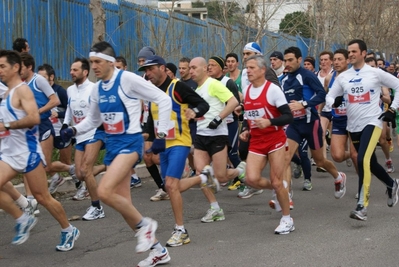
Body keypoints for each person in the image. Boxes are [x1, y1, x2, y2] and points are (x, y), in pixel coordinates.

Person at [60, 41, 172, 266]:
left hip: (130, 144)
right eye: (92, 63)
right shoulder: (98, 88)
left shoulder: (127, 79)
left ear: (110, 62)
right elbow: (93, 120)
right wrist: (72, 129)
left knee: (103, 191)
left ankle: (147, 226)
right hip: (112, 147)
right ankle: (159, 250)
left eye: (98, 62)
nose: (94, 67)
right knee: (125, 207)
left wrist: (161, 131)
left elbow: (163, 98)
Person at [0, 49, 80, 250]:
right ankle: (22, 218)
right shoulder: (8, 92)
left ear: (16, 67)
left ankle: (69, 229)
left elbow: (34, 118)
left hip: (28, 153)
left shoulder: (23, 90)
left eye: (2, 66)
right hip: (10, 153)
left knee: (43, 197)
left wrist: (8, 126)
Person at [140, 55, 214, 247]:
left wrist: (194, 112)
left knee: (172, 185)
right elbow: (151, 123)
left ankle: (180, 230)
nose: (147, 74)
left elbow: (203, 104)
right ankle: (203, 178)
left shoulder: (177, 87)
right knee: (170, 187)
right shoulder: (151, 92)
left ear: (163, 68)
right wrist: (143, 135)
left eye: (150, 69)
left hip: (180, 142)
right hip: (163, 145)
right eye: (145, 71)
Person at [326, 39, 399, 221]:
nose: (350, 54)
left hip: (373, 122)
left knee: (362, 160)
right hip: (354, 126)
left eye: (353, 51)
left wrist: (392, 109)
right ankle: (391, 185)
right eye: (348, 52)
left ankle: (362, 206)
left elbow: (398, 85)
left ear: (363, 53)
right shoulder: (343, 76)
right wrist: (332, 102)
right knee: (371, 163)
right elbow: (330, 94)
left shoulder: (375, 73)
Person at [280, 46, 347, 206]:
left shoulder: (307, 75)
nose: (287, 63)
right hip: (294, 125)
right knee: (285, 159)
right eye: (285, 60)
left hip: (311, 124)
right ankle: (287, 196)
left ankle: (338, 177)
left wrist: (304, 104)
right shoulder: (284, 80)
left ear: (299, 60)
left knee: (320, 161)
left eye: (290, 60)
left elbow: (322, 94)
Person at [238, 55, 294, 234]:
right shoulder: (246, 91)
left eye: (252, 68)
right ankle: (279, 190)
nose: (248, 71)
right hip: (256, 140)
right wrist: (246, 129)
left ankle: (287, 219)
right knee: (251, 178)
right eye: (247, 68)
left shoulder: (273, 90)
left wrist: (270, 122)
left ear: (263, 70)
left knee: (277, 181)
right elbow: (249, 116)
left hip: (275, 139)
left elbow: (288, 116)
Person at [189, 57, 244, 223]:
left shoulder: (213, 84)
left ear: (204, 68)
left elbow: (233, 101)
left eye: (194, 68)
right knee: (201, 173)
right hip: (201, 136)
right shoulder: (195, 90)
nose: (191, 71)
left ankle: (240, 171)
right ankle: (215, 208)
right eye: (189, 68)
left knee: (220, 177)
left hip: (217, 135)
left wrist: (218, 119)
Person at [63, 57, 107, 219]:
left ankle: (97, 207)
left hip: (94, 133)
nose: (71, 72)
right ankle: (106, 166)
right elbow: (69, 108)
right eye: (71, 69)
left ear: (85, 72)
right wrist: (65, 124)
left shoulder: (94, 89)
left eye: (75, 70)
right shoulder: (70, 90)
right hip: (79, 134)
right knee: (80, 173)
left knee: (87, 170)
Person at [137, 47, 169, 201]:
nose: (143, 65)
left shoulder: (159, 79)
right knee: (147, 157)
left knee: (157, 158)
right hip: (147, 120)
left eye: (145, 61)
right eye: (140, 61)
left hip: (162, 119)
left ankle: (172, 179)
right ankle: (163, 188)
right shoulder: (140, 80)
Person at [115, 55, 142, 188]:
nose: (116, 70)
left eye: (119, 67)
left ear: (125, 68)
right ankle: (133, 177)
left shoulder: (131, 81)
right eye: (114, 67)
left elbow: (140, 101)